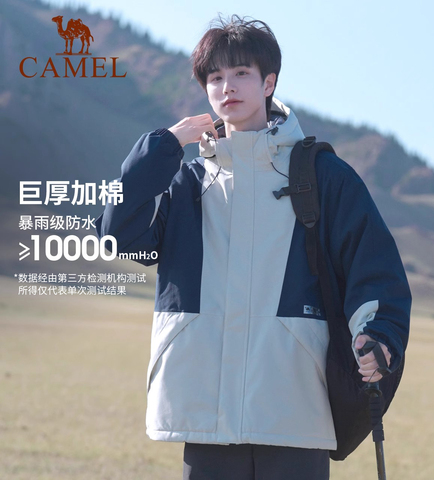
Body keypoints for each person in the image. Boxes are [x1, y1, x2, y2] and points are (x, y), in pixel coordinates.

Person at [95, 15, 411, 480]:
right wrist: (162, 147)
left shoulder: (323, 176)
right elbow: (117, 233)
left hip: (295, 408)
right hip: (204, 410)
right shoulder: (185, 181)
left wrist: (378, 334)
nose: (227, 87)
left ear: (268, 82)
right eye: (215, 77)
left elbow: (374, 266)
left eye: (241, 72)